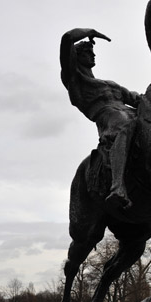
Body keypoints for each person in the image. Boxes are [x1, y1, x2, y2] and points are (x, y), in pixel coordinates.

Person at [60, 28, 140, 208]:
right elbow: (67, 39)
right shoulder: (75, 79)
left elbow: (135, 99)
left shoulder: (110, 84)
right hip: (109, 118)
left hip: (128, 112)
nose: (93, 55)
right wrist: (90, 32)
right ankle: (118, 186)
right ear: (76, 57)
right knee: (124, 123)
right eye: (88, 52)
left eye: (93, 52)